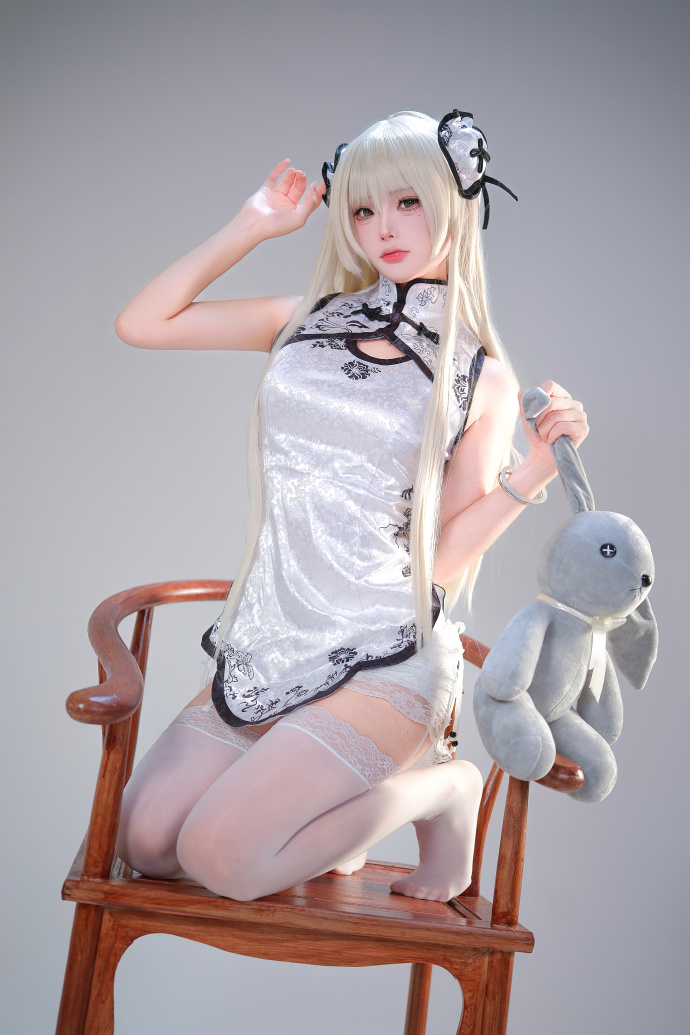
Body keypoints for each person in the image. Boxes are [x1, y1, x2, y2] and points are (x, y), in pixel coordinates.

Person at [113, 110, 588, 902]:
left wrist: (532, 471)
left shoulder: (480, 377)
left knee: (222, 858)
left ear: (453, 201)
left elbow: (441, 561)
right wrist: (253, 224)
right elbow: (142, 323)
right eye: (363, 209)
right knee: (145, 840)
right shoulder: (306, 319)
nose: (383, 229)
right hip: (274, 635)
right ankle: (337, 811)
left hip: (388, 651)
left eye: (407, 202)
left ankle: (444, 788)